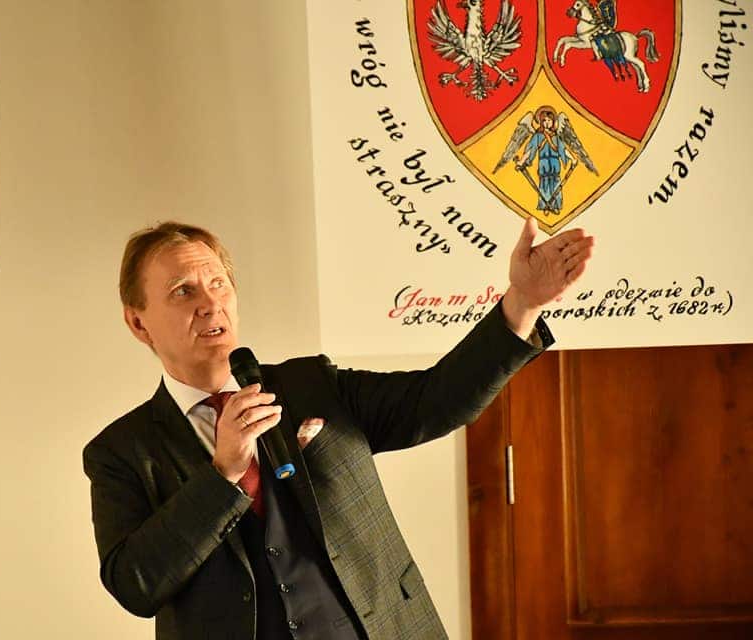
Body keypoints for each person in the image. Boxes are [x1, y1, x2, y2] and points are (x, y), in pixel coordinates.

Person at [84, 219, 593, 639]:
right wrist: (223, 474)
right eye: (183, 291)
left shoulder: (312, 385)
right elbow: (135, 585)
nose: (210, 303)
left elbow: (435, 401)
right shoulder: (121, 452)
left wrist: (522, 304)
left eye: (218, 283)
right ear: (138, 322)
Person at [517, 107, 574, 215]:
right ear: (541, 122)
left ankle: (556, 205)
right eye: (544, 120)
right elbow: (531, 149)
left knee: (556, 185)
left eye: (549, 120)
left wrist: (572, 158)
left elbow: (563, 149)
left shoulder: (556, 137)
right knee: (544, 185)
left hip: (554, 164)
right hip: (543, 164)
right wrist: (522, 161)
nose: (547, 123)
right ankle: (545, 206)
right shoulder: (538, 136)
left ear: (553, 122)